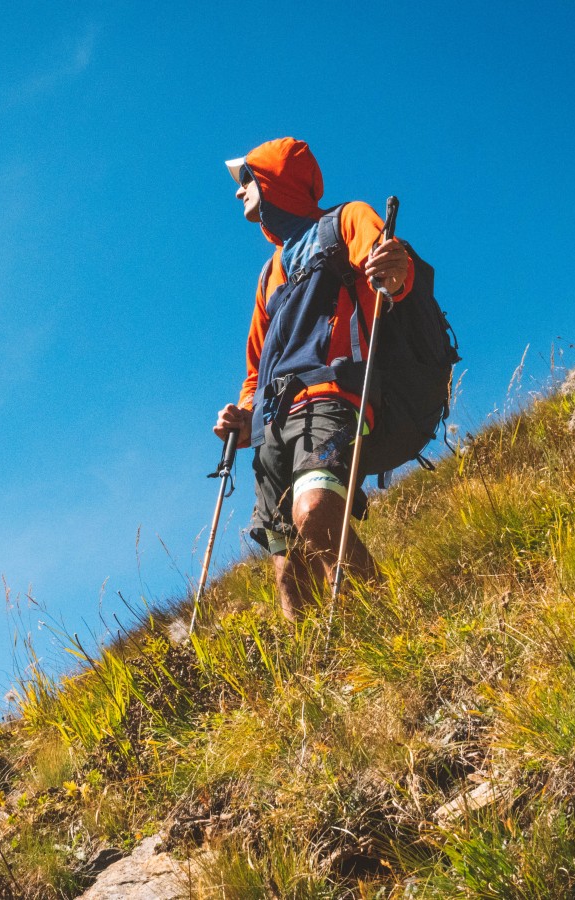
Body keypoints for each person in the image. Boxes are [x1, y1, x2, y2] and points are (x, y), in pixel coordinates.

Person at [213, 137, 412, 621]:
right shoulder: (270, 273)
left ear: (274, 177)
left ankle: (388, 629)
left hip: (331, 396)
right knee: (287, 568)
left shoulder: (346, 220)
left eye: (247, 179)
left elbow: (390, 265)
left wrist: (396, 267)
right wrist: (243, 416)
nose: (239, 192)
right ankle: (318, 674)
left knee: (316, 513)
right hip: (271, 423)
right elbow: (256, 368)